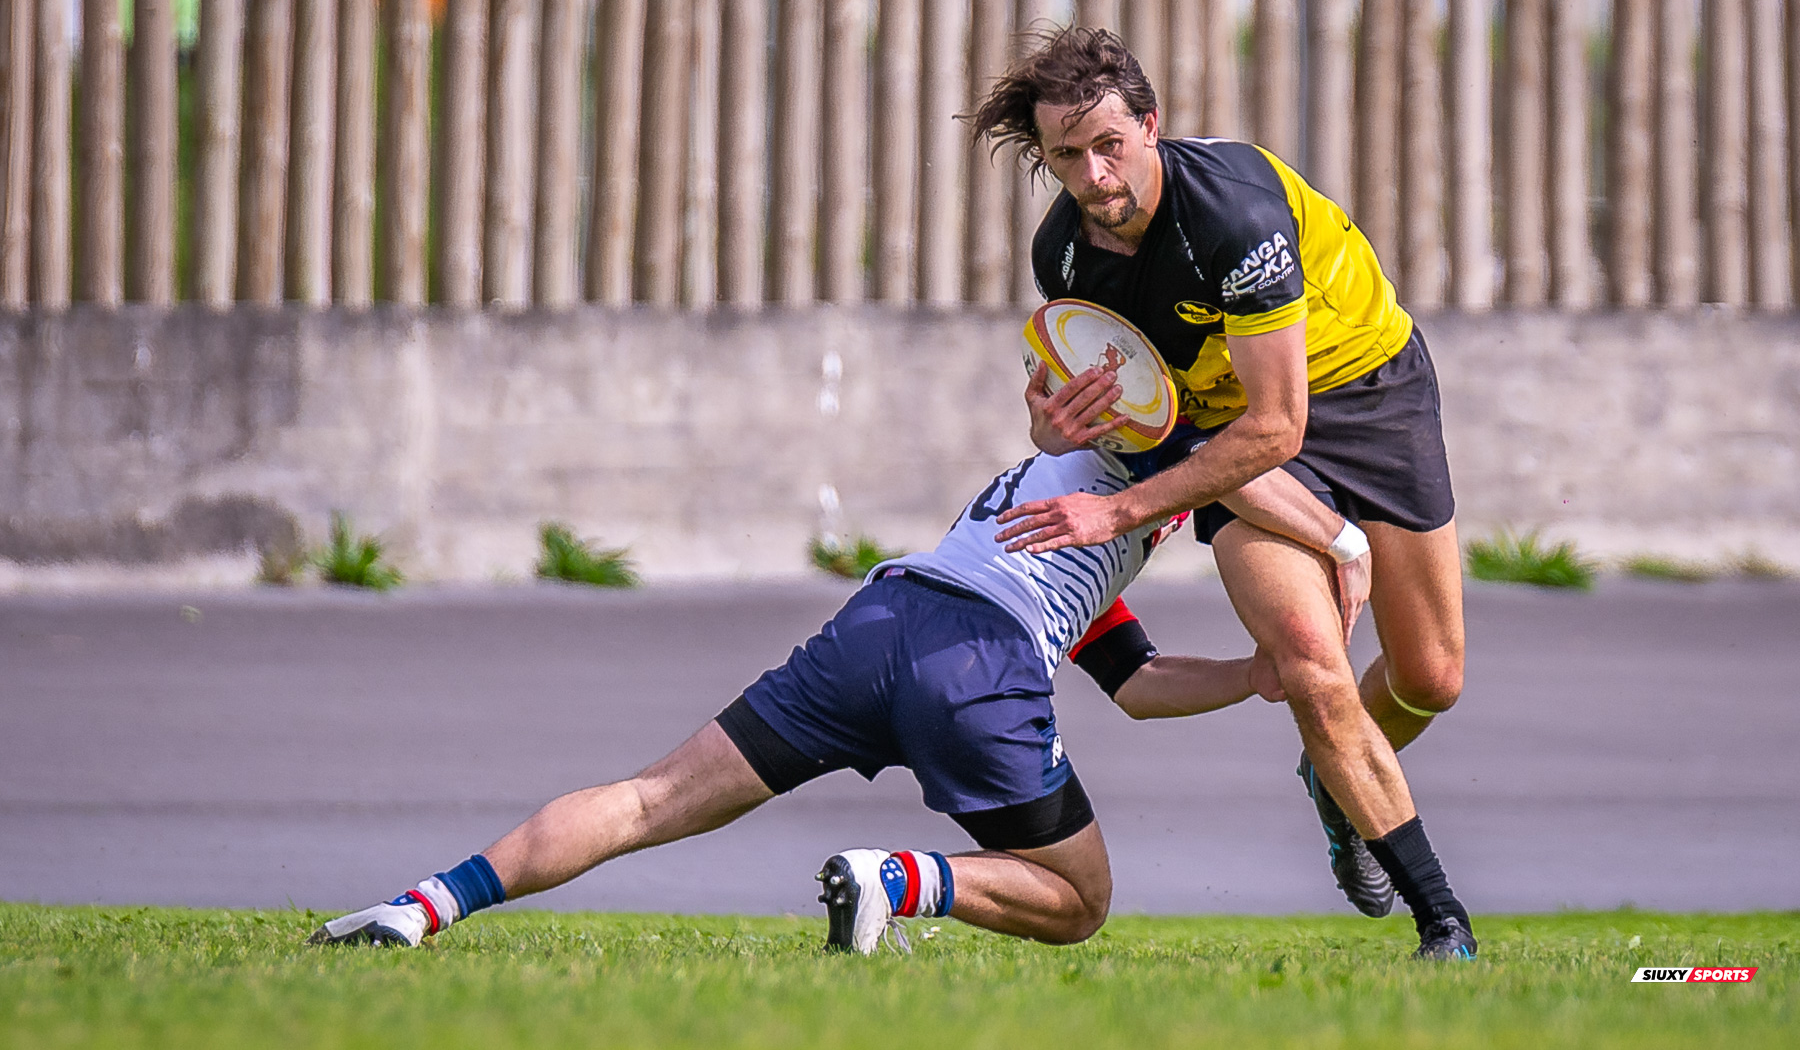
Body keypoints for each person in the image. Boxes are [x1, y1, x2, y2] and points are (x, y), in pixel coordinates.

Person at [309, 446, 1371, 956]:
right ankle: (898, 879)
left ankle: (420, 906)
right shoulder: (1161, 433)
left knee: (648, 797)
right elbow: (1249, 458)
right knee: (1080, 898)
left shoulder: (1044, 491)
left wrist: (1248, 677)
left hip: (884, 618)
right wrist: (1343, 534)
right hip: (978, 657)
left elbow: (1133, 684)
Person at [965, 26, 1477, 960]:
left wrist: (1117, 511)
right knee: (1312, 669)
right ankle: (1444, 923)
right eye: (1066, 156)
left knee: (1431, 675)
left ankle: (1338, 782)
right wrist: (1059, 430)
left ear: (1150, 126)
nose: (1094, 174)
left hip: (1367, 392)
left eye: (1109, 144)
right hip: (1229, 435)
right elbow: (1156, 420)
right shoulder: (1068, 260)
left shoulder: (1233, 213)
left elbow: (1282, 421)